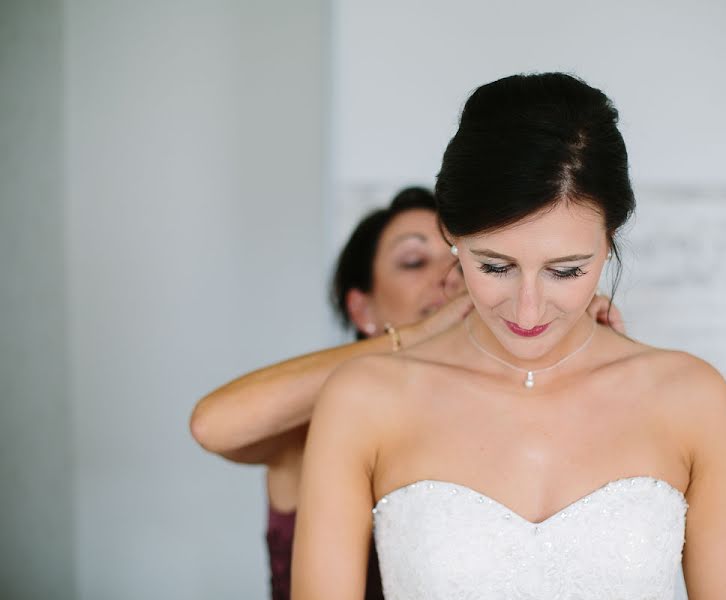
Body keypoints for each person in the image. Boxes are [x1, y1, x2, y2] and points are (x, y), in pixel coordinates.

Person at [291, 73, 726, 600]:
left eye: (566, 271)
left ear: (609, 243)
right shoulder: (363, 398)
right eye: (495, 266)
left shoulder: (692, 397)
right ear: (452, 237)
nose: (527, 309)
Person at [189, 187, 625, 599]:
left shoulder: (494, 414)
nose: (446, 278)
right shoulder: (322, 418)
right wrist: (419, 336)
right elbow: (213, 424)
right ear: (362, 308)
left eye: (462, 260)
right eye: (414, 261)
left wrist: (577, 340)